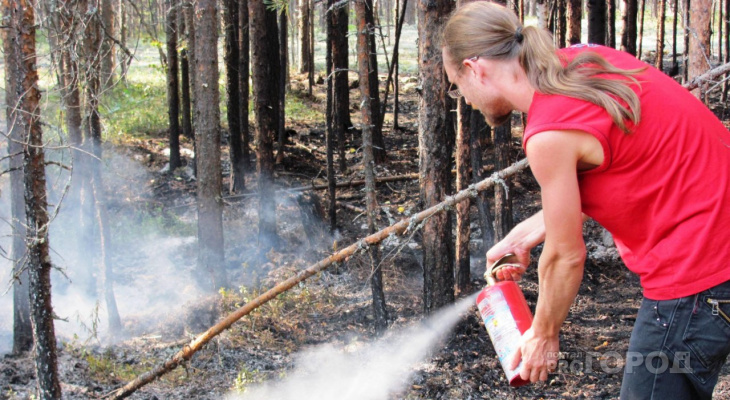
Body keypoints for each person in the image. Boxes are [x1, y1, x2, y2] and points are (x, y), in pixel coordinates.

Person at [441, 2, 730, 399]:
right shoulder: (583, 64)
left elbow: (566, 256)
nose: (464, 98)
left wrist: (543, 333)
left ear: (475, 69)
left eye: (457, 84)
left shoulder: (547, 131)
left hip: (700, 272)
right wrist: (525, 234)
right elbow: (629, 163)